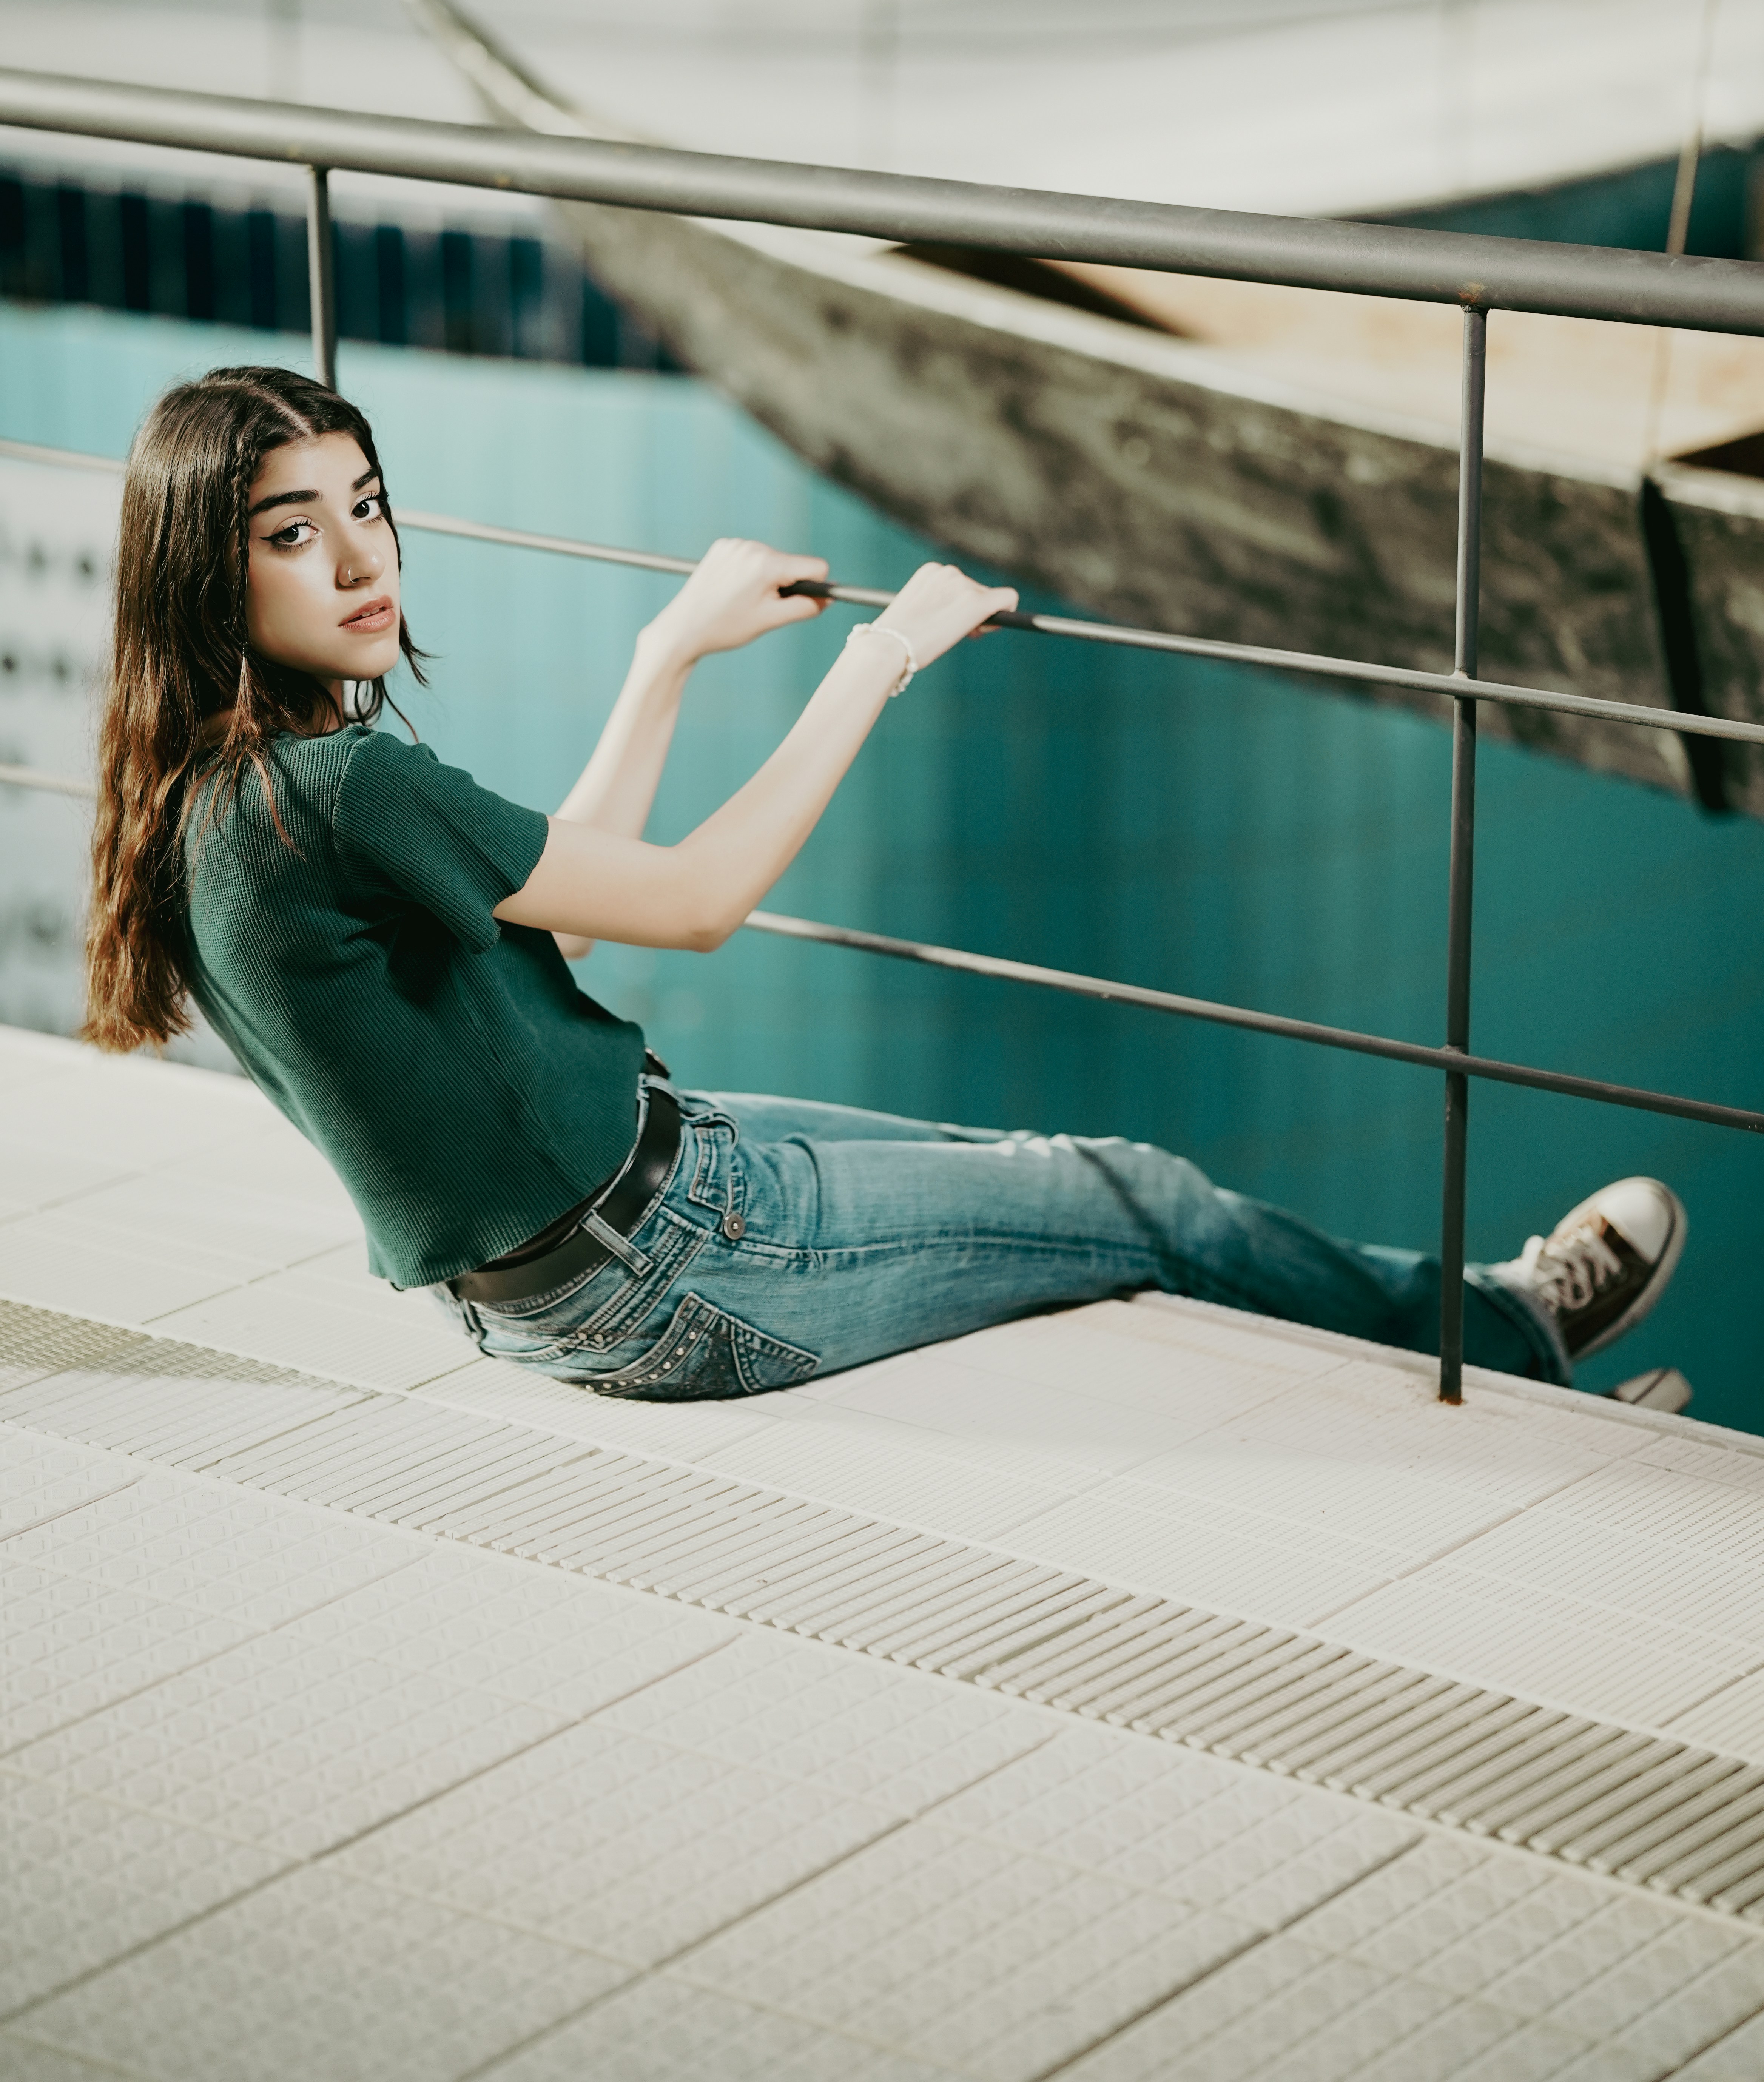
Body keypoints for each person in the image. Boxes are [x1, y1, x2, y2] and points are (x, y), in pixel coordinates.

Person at [85, 364, 1686, 1403]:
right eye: (294, 534)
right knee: (1138, 1198)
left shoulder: (205, 799)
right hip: (667, 1267)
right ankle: (1506, 1329)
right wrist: (882, 657)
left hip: (572, 1267)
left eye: (369, 506)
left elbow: (565, 914)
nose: (362, 561)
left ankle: (1482, 1331)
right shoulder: (337, 790)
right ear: (203, 569)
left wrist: (666, 654)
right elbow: (696, 903)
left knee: (1051, 1174)